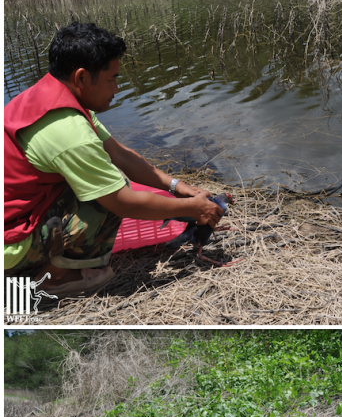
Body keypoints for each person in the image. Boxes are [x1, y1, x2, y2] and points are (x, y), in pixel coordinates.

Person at [4, 22, 224, 297]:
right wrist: (194, 209)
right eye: (112, 79)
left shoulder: (50, 94)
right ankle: (58, 277)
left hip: (15, 214)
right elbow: (120, 201)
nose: (117, 88)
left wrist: (177, 187)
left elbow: (119, 153)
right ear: (82, 77)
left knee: (105, 172)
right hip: (10, 244)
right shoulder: (69, 132)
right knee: (109, 189)